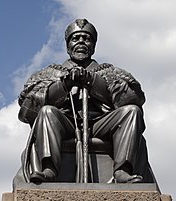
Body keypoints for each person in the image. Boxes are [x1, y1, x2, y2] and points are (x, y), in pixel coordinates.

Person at [16, 19, 155, 184]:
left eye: (86, 38)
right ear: (68, 46)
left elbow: (135, 99)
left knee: (132, 111)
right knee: (46, 111)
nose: (81, 42)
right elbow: (27, 110)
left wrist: (96, 83)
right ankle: (49, 169)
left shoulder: (111, 72)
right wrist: (63, 85)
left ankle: (122, 171)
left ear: (93, 45)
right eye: (76, 38)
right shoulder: (49, 73)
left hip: (101, 125)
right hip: (65, 124)